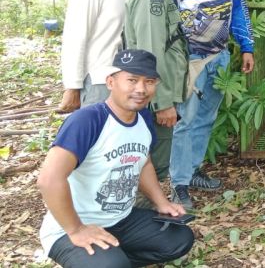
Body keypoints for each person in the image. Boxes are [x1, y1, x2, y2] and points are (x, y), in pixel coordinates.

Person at [38, 49, 194, 267]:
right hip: (70, 227)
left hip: (120, 219)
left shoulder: (143, 118)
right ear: (111, 82)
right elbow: (49, 179)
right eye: (132, 80)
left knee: (179, 239)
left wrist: (161, 202)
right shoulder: (88, 120)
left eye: (149, 81)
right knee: (111, 265)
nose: (141, 89)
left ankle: (109, 259)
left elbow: (144, 162)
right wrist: (76, 229)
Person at [169, 0, 256, 209]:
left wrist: (247, 46)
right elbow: (170, 5)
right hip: (191, 58)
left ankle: (192, 171)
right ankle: (178, 183)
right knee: (186, 119)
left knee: (205, 118)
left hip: (219, 57)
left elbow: (239, 10)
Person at [124, 0, 202, 181]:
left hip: (157, 94)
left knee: (156, 161)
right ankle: (145, 218)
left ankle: (151, 215)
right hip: (154, 98)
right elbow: (150, 50)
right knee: (153, 163)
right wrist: (162, 103)